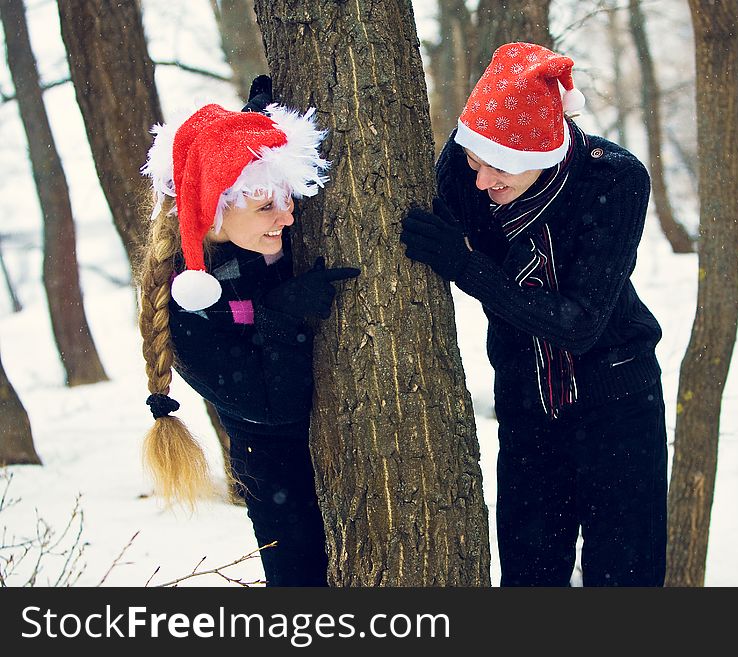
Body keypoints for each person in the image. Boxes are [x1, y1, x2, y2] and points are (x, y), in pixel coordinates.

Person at [400, 42, 667, 586]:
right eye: (475, 161)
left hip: (617, 401)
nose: (480, 182)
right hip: (526, 406)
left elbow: (580, 323)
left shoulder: (613, 180)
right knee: (529, 580)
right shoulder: (463, 167)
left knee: (626, 580)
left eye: (499, 168)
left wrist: (466, 265)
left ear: (540, 155)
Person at [137, 82, 359, 586]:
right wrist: (281, 314)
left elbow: (221, 168)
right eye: (266, 207)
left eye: (286, 200)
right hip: (277, 470)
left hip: (334, 454)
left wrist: (255, 123)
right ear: (213, 210)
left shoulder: (253, 232)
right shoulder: (187, 300)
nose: (288, 217)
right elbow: (269, 405)